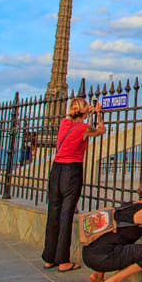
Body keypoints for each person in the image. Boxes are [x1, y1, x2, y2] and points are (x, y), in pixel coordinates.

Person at [42, 97, 106, 271]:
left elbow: (73, 119)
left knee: (53, 212)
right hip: (71, 171)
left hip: (56, 170)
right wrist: (98, 114)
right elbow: (101, 130)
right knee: (66, 214)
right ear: (84, 112)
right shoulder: (84, 129)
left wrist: (86, 111)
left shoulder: (64, 123)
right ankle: (63, 260)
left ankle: (48, 257)